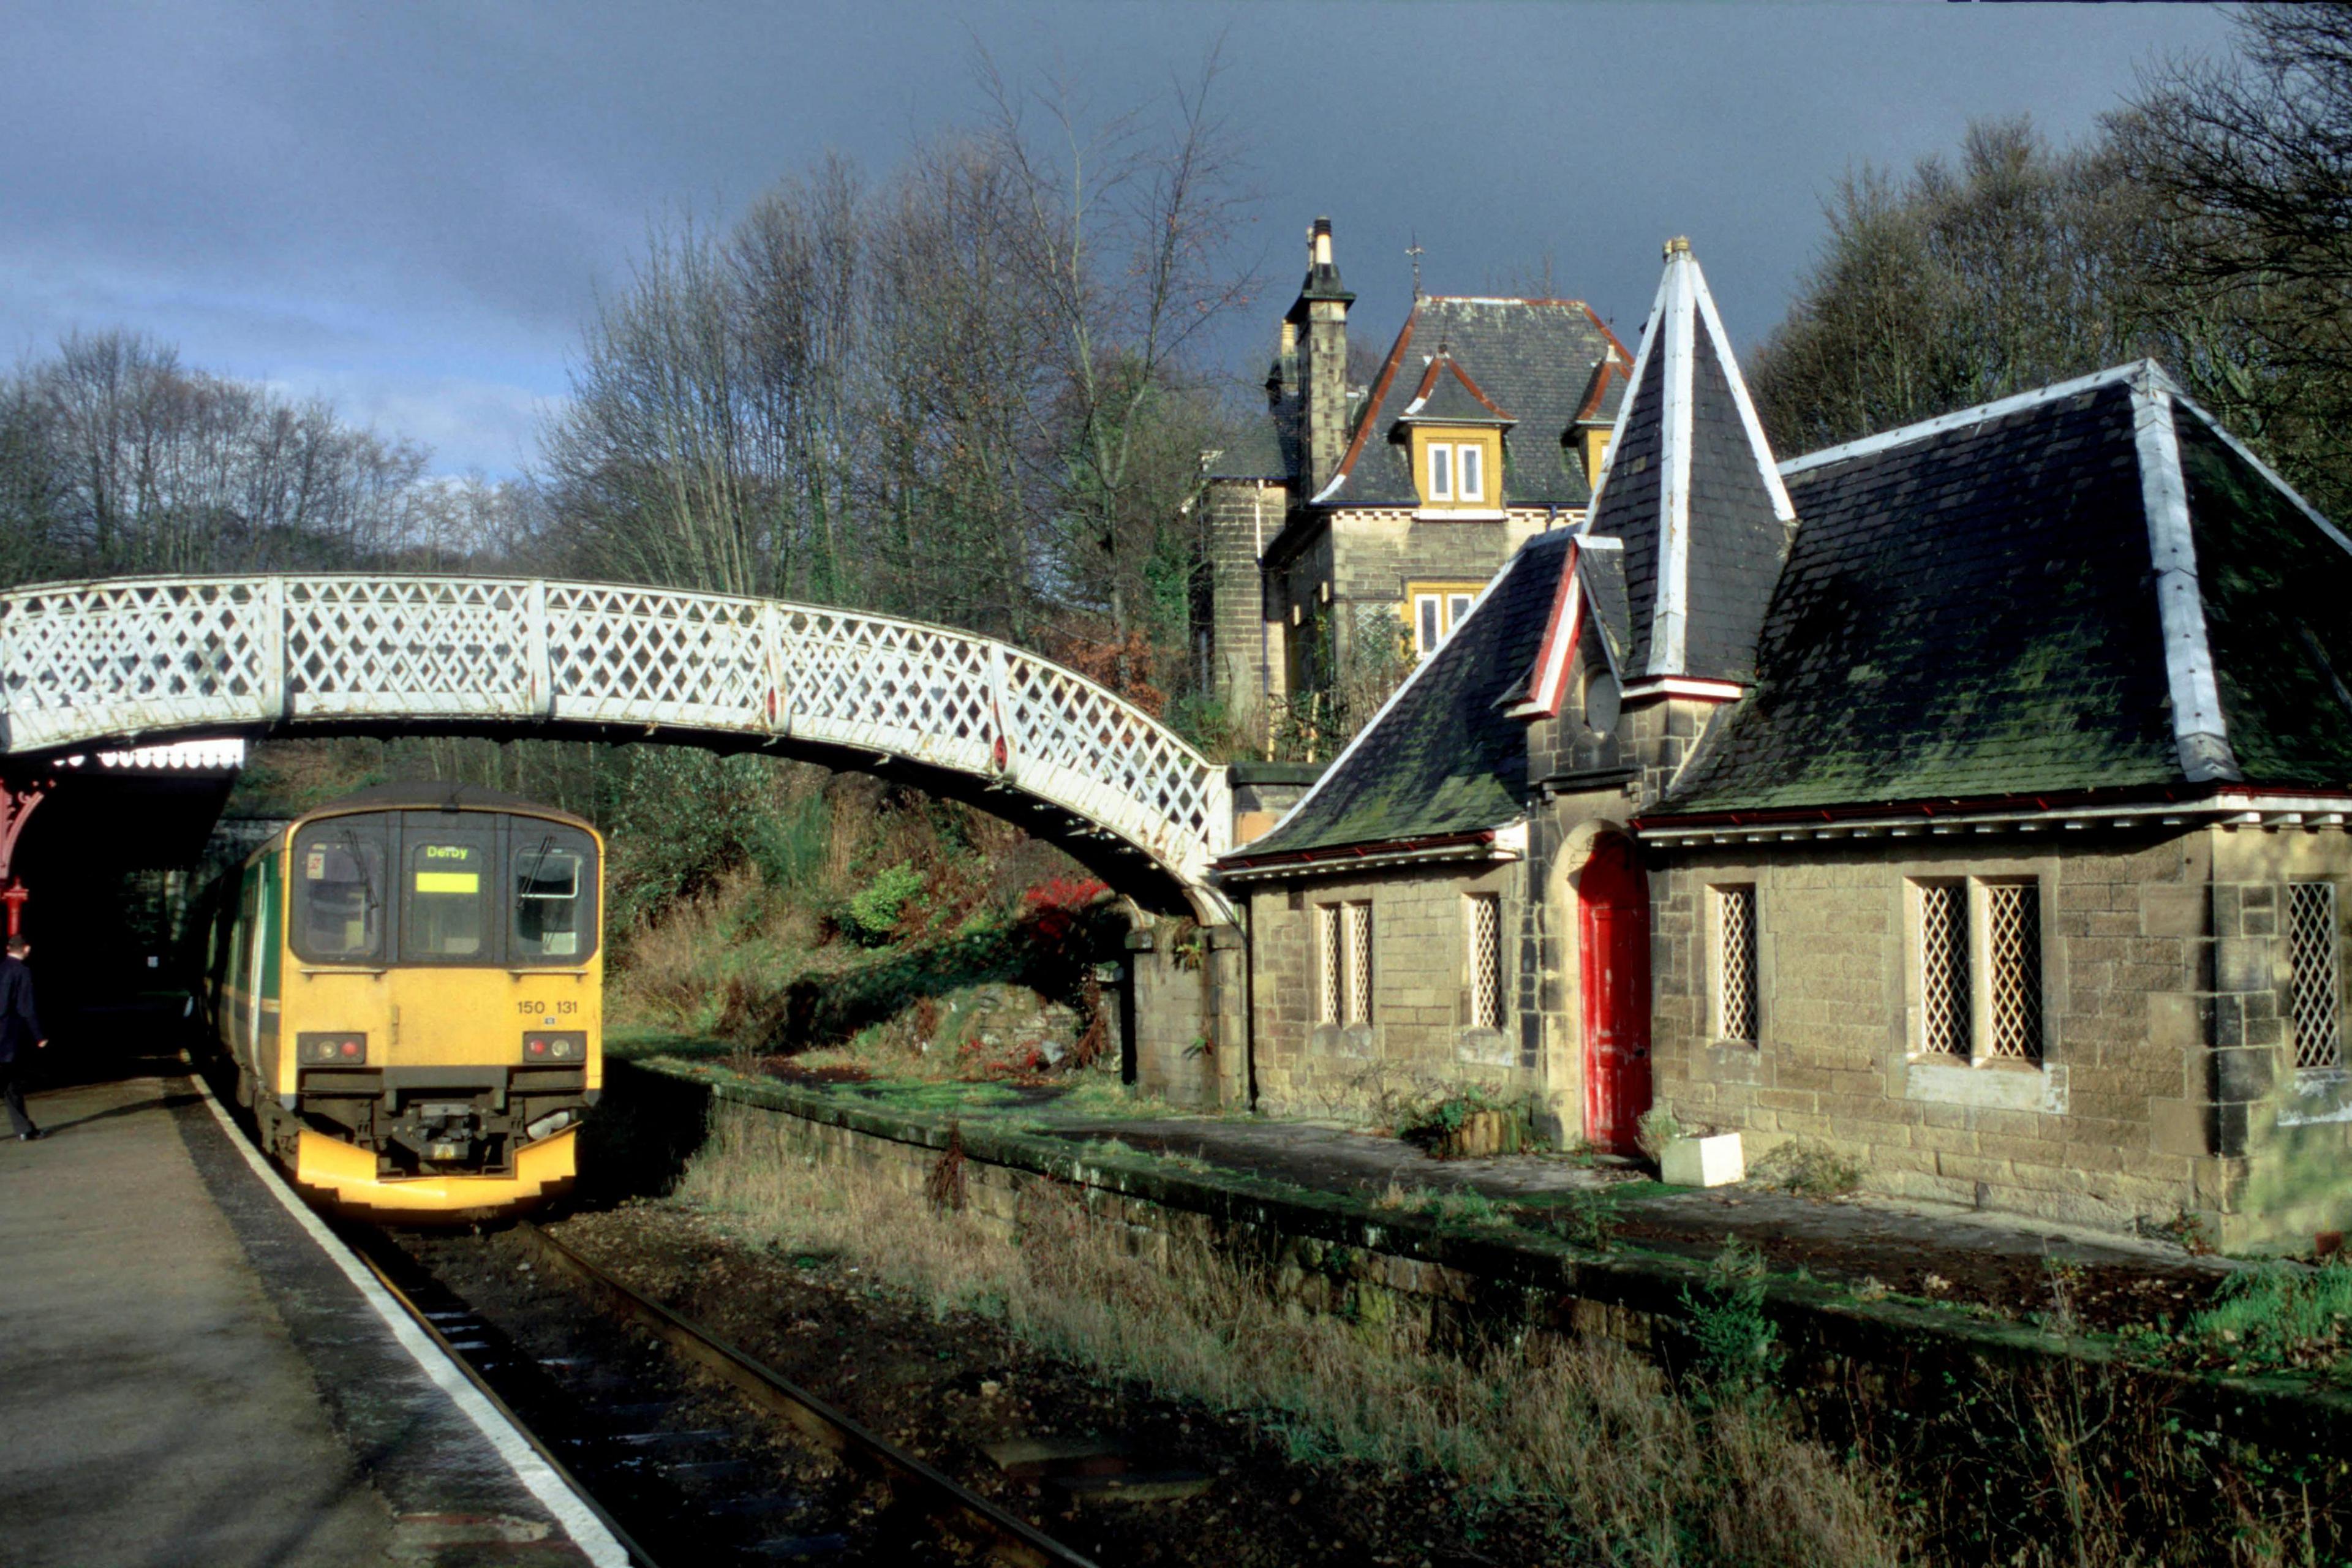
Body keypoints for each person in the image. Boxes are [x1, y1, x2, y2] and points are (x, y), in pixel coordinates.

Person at [0, 936, 47, 1141]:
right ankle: (24, 1129)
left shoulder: (1, 969)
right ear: (26, 949)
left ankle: (24, 1127)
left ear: (8, 948)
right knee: (10, 1084)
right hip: (7, 1037)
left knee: (11, 1084)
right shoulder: (22, 972)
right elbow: (26, 1007)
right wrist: (39, 1035)